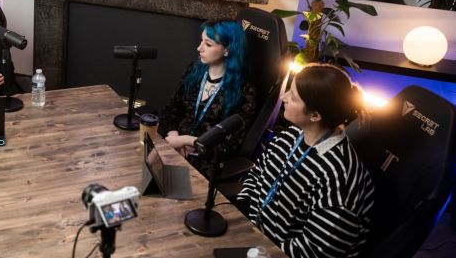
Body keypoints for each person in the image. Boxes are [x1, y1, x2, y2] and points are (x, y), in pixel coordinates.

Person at [236, 63, 374, 258]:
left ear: (315, 115)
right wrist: (240, 217)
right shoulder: (290, 135)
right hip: (254, 238)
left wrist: (259, 253)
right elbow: (258, 173)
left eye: (292, 97)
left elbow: (317, 251)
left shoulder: (339, 177)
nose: (283, 98)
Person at [158, 19, 257, 176]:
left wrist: (187, 141)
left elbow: (230, 144)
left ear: (227, 50)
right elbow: (172, 110)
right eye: (201, 41)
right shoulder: (195, 70)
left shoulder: (244, 90)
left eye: (208, 44)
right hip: (173, 145)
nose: (199, 48)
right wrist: (174, 137)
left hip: (204, 163)